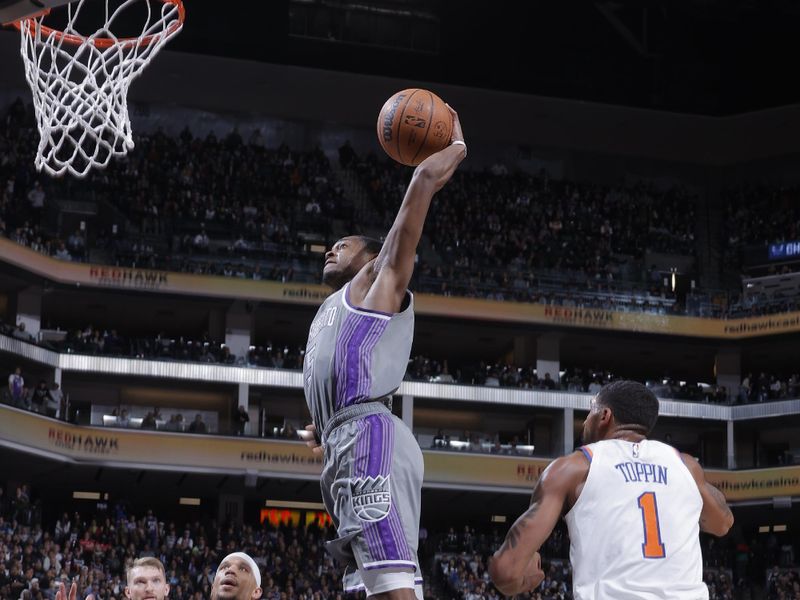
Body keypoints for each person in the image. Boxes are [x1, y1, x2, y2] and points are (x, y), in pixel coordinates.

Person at [300, 106, 466, 600]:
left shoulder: (378, 282)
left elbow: (411, 216)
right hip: (344, 443)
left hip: (369, 439)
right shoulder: (330, 310)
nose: (330, 249)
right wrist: (323, 425)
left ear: (372, 260)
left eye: (342, 244)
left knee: (392, 588)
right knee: (368, 587)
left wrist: (449, 152)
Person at [488, 380, 734, 598]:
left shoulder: (573, 468)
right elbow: (722, 524)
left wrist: (521, 580)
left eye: (590, 412)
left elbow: (506, 571)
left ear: (604, 416)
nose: (585, 421)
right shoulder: (685, 465)